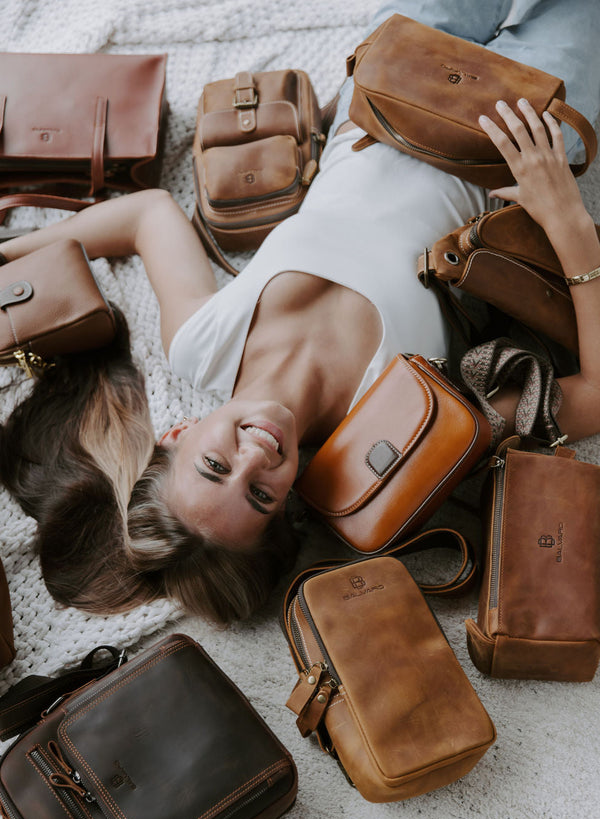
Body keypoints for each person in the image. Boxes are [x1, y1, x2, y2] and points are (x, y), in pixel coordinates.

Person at [0, 0, 599, 623]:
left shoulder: (202, 345)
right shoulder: (391, 439)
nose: (256, 458)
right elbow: (596, 395)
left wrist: (11, 253)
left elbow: (148, 213)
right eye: (259, 495)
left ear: (176, 435)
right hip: (513, 139)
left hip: (390, 88)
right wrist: (567, 220)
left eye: (214, 466)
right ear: (283, 505)